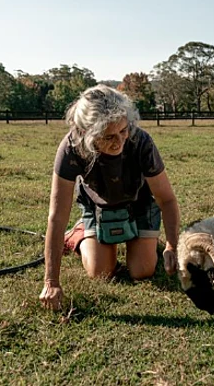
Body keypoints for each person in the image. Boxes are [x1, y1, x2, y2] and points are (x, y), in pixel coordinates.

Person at [39, 84, 180, 310]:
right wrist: (51, 282)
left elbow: (167, 199)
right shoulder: (71, 148)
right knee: (100, 273)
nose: (119, 142)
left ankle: (145, 237)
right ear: (86, 133)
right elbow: (56, 217)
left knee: (141, 271)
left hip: (139, 204)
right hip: (98, 206)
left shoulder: (141, 141)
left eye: (123, 131)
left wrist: (173, 246)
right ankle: (78, 234)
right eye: (108, 136)